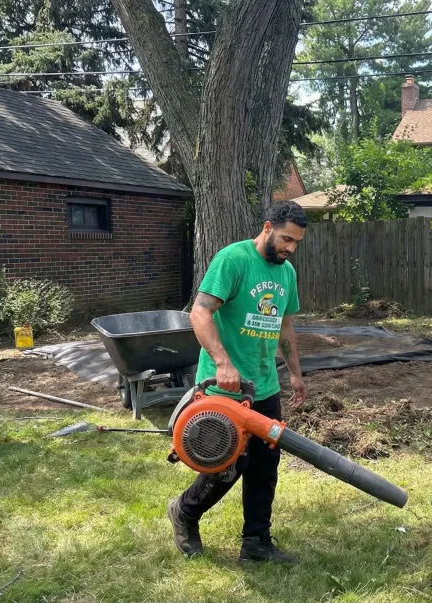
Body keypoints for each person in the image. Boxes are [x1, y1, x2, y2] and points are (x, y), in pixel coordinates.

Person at [167, 202, 309, 564]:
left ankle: (256, 543)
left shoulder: (286, 273)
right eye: (286, 239)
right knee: (227, 467)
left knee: (265, 467)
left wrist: (294, 373)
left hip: (264, 385)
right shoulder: (233, 260)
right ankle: (185, 511)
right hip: (223, 387)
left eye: (296, 242)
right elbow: (200, 311)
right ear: (267, 227)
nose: (290, 247)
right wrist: (222, 362)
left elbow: (285, 325)